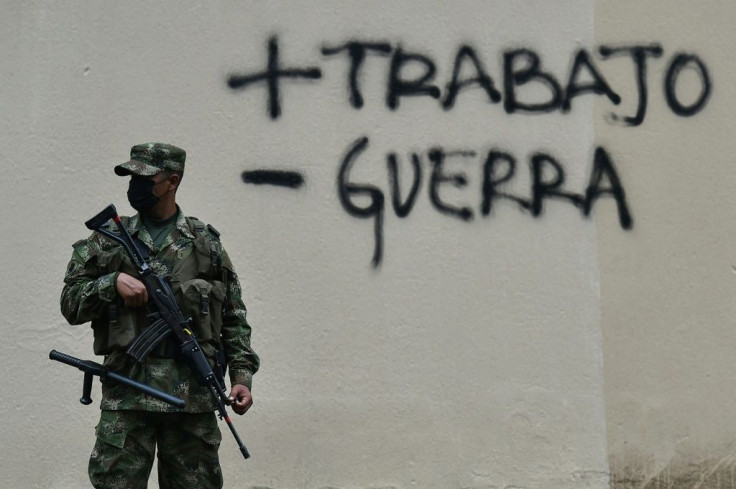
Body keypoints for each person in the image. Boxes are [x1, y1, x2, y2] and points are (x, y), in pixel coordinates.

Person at [60, 142, 260, 488]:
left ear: (172, 181)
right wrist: (111, 283)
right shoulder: (107, 241)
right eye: (131, 178)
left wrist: (241, 377)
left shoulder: (206, 245)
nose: (134, 187)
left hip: (192, 402)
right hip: (127, 398)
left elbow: (233, 317)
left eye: (145, 178)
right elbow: (70, 303)